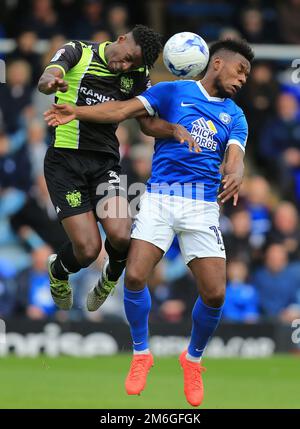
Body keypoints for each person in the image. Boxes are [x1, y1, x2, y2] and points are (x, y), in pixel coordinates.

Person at [45, 38, 254, 407]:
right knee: (136, 274)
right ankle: (141, 355)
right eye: (241, 70)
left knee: (216, 293)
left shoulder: (236, 115)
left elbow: (235, 155)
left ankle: (193, 360)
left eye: (248, 75)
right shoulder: (172, 91)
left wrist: (235, 173)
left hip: (202, 206)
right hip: (158, 197)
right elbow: (122, 110)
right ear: (217, 63)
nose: (243, 79)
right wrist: (77, 112)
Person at [38, 25, 194, 313]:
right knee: (87, 250)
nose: (124, 66)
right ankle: (58, 272)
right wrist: (52, 83)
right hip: (65, 161)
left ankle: (110, 278)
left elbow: (146, 125)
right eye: (126, 58)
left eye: (133, 64)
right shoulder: (78, 50)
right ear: (121, 39)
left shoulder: (136, 75)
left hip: (104, 163)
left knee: (122, 235)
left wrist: (174, 129)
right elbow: (47, 77)